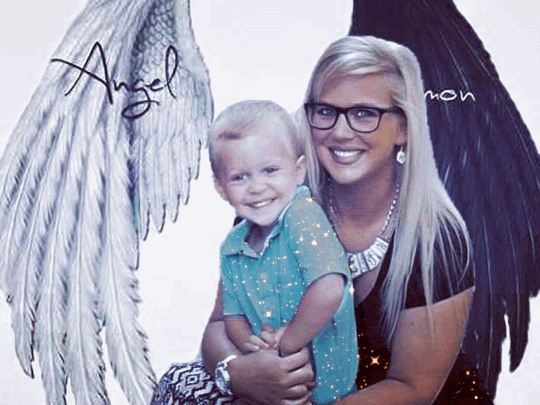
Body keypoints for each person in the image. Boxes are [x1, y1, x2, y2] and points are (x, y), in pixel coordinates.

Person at [152, 36, 491, 405]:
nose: (340, 132)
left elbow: (414, 388)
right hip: (288, 394)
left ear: (403, 128)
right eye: (326, 111)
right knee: (179, 384)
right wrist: (238, 374)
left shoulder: (438, 240)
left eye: (365, 113)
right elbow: (219, 325)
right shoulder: (275, 201)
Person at [207, 100, 357, 404]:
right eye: (239, 177)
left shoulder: (302, 216)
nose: (256, 187)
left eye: (270, 170)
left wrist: (284, 344)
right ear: (221, 187)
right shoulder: (232, 248)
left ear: (298, 171)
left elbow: (329, 288)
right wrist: (255, 352)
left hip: (329, 393)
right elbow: (232, 316)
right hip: (270, 388)